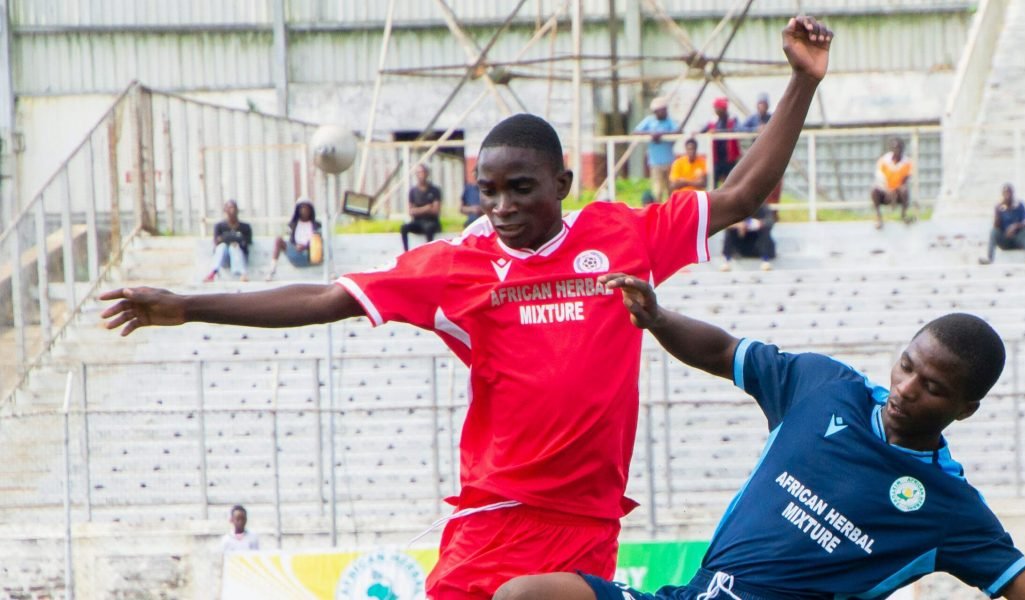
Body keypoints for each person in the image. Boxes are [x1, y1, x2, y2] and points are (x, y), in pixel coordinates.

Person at [98, 16, 833, 599]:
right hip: (489, 519)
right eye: (488, 189)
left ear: (562, 182)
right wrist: (189, 305)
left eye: (522, 188)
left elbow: (740, 195)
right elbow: (326, 296)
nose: (503, 205)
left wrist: (799, 83)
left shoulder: (622, 235)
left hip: (585, 524)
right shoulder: (456, 267)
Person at [495, 275, 1025, 600]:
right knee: (522, 597)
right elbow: (724, 352)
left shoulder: (949, 507)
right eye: (906, 366)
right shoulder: (825, 386)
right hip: (692, 597)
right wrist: (658, 319)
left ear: (965, 409)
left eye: (932, 387)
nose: (905, 388)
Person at [634, 96, 680, 204]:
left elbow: (677, 131)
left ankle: (670, 213)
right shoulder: (649, 121)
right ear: (656, 111)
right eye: (662, 110)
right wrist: (651, 134)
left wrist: (662, 134)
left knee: (671, 190)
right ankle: (658, 213)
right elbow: (636, 132)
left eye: (665, 109)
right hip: (655, 163)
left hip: (669, 162)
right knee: (657, 191)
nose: (665, 112)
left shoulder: (669, 121)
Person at [980, 184, 1025, 264]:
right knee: (993, 231)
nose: (1007, 195)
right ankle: (989, 258)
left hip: (1018, 240)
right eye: (1005, 193)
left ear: (1013, 194)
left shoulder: (1019, 205)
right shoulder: (999, 207)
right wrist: (997, 212)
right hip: (1005, 241)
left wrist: (1015, 226)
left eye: (1009, 193)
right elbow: (996, 226)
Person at [267, 197, 322, 281]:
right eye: (302, 208)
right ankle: (271, 272)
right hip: (296, 253)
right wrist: (295, 246)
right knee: (278, 240)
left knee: (322, 240)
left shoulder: (316, 225)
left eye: (306, 208)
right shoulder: (293, 224)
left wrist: (305, 246)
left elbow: (317, 242)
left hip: (310, 255)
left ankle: (332, 272)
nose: (304, 210)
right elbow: (291, 240)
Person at [205, 199, 252, 283]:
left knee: (234, 247)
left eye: (233, 208)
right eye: (229, 208)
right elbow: (216, 242)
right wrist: (235, 238)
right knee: (222, 247)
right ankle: (213, 272)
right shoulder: (219, 226)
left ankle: (243, 274)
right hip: (224, 257)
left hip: (239, 256)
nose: (232, 211)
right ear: (225, 211)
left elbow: (248, 241)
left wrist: (227, 239)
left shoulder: (245, 227)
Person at [870, 138, 914, 229]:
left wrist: (895, 190)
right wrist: (887, 190)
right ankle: (878, 217)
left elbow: (906, 180)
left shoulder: (907, 162)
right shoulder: (883, 161)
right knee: (874, 190)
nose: (897, 150)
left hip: (898, 193)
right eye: (894, 148)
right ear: (891, 149)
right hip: (885, 191)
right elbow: (880, 178)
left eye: (899, 148)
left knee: (904, 190)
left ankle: (903, 215)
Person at [719, 204, 777, 272]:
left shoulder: (761, 206)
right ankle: (727, 260)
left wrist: (758, 224)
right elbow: (724, 222)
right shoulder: (736, 207)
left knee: (764, 230)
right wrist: (739, 225)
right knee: (730, 231)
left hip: (758, 246)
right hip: (742, 247)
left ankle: (765, 260)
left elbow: (770, 221)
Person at [401, 163, 442, 251]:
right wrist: (426, 208)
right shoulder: (413, 191)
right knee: (404, 227)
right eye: (419, 173)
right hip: (418, 222)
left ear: (427, 174)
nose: (421, 175)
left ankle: (429, 252)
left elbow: (435, 210)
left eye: (423, 172)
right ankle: (406, 251)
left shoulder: (434, 190)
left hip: (431, 221)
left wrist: (418, 210)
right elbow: (411, 211)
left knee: (429, 228)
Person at [701, 97, 741, 186]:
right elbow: (702, 130)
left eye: (717, 108)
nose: (715, 110)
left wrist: (718, 132)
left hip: (729, 158)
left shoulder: (732, 119)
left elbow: (738, 129)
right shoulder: (713, 121)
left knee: (731, 182)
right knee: (713, 181)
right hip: (717, 158)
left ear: (722, 109)